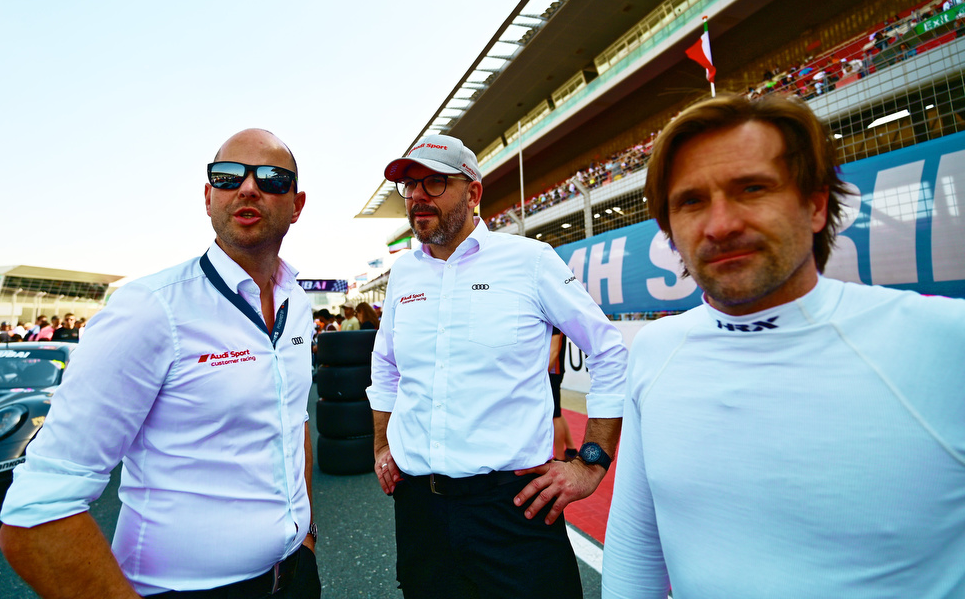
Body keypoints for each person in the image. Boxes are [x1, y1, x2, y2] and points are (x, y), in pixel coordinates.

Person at [600, 94, 965, 597]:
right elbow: (636, 545)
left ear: (816, 206)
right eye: (691, 201)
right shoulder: (656, 350)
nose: (721, 225)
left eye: (752, 189)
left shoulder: (946, 340)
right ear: (670, 230)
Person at [0, 128, 321, 598]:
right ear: (208, 196)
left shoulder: (297, 302)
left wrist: (306, 536)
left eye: (272, 178)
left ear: (296, 205)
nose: (248, 188)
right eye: (228, 176)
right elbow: (38, 510)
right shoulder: (151, 309)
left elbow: (295, 420)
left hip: (295, 576)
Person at [367, 134, 628, 599]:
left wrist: (591, 461)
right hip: (419, 511)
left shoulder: (530, 260)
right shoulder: (404, 273)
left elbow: (609, 350)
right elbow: (385, 365)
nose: (417, 196)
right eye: (409, 185)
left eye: (434, 182)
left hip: (514, 509)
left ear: (473, 193)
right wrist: (382, 444)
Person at [549, 326, 576, 461]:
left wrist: (541, 375)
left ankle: (559, 457)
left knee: (554, 415)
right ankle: (571, 449)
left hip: (552, 372)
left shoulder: (554, 324)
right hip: (552, 371)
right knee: (557, 411)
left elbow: (554, 351)